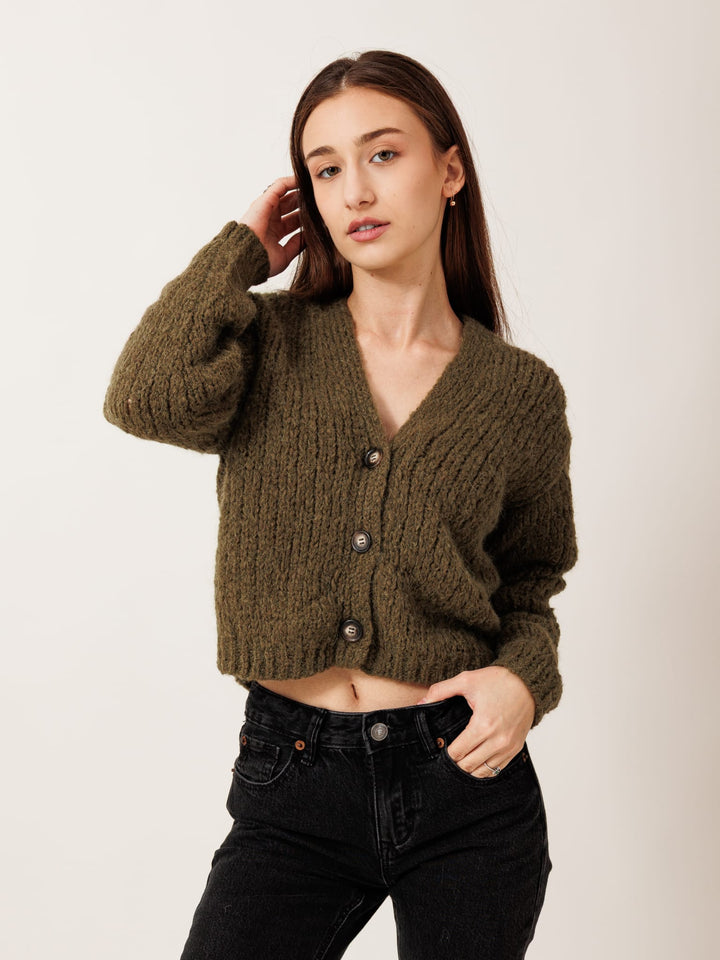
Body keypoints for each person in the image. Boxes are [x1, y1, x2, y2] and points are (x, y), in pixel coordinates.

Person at [103, 49, 578, 960]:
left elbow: (531, 581)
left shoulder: (519, 394)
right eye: (326, 169)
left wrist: (524, 681)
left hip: (466, 787)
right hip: (293, 777)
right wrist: (239, 253)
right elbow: (145, 396)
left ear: (450, 169)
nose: (354, 189)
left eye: (383, 155)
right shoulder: (269, 343)